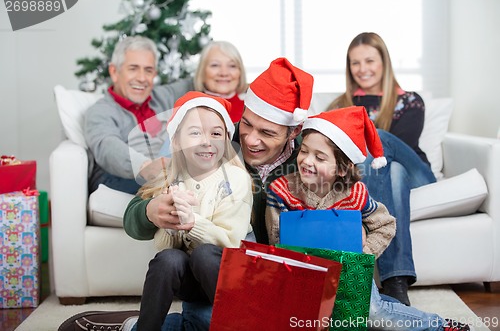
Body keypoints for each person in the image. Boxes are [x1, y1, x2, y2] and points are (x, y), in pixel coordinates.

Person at [58, 57, 313, 331]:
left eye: (267, 132)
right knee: (209, 316)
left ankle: (135, 326)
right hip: (213, 278)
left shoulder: (311, 159)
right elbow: (136, 214)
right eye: (247, 124)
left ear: (293, 131)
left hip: (277, 280)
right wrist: (150, 211)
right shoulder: (214, 138)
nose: (250, 139)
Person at [266, 107, 471, 331]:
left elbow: (386, 224)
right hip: (305, 274)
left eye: (320, 157)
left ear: (342, 169)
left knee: (372, 315)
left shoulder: (356, 194)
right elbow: (277, 238)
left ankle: (438, 325)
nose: (307, 160)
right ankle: (385, 305)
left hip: (350, 272)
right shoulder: (281, 190)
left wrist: (364, 254)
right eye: (304, 151)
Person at [119, 91, 253, 331]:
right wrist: (173, 223)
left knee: (203, 254)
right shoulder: (170, 180)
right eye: (195, 132)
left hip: (231, 281)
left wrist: (193, 223)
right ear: (177, 142)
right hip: (194, 286)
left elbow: (232, 243)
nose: (206, 141)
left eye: (216, 133)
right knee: (169, 259)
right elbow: (163, 248)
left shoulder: (236, 179)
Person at [327, 32, 437, 306]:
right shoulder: (341, 104)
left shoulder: (410, 101)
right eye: (355, 63)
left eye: (369, 61)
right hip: (383, 178)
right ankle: (394, 281)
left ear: (384, 62)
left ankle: (391, 279)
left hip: (417, 174)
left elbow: (403, 147)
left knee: (386, 147)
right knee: (393, 172)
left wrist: (367, 139)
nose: (362, 69)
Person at [84, 35, 193, 195]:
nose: (142, 78)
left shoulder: (161, 97)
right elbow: (106, 145)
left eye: (148, 70)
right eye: (133, 68)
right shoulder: (100, 111)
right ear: (114, 72)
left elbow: (195, 82)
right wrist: (144, 166)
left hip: (165, 174)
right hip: (117, 179)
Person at [193, 40, 248, 123]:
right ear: (202, 72)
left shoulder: (250, 111)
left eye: (232, 66)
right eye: (215, 65)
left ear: (240, 72)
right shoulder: (189, 109)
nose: (224, 73)